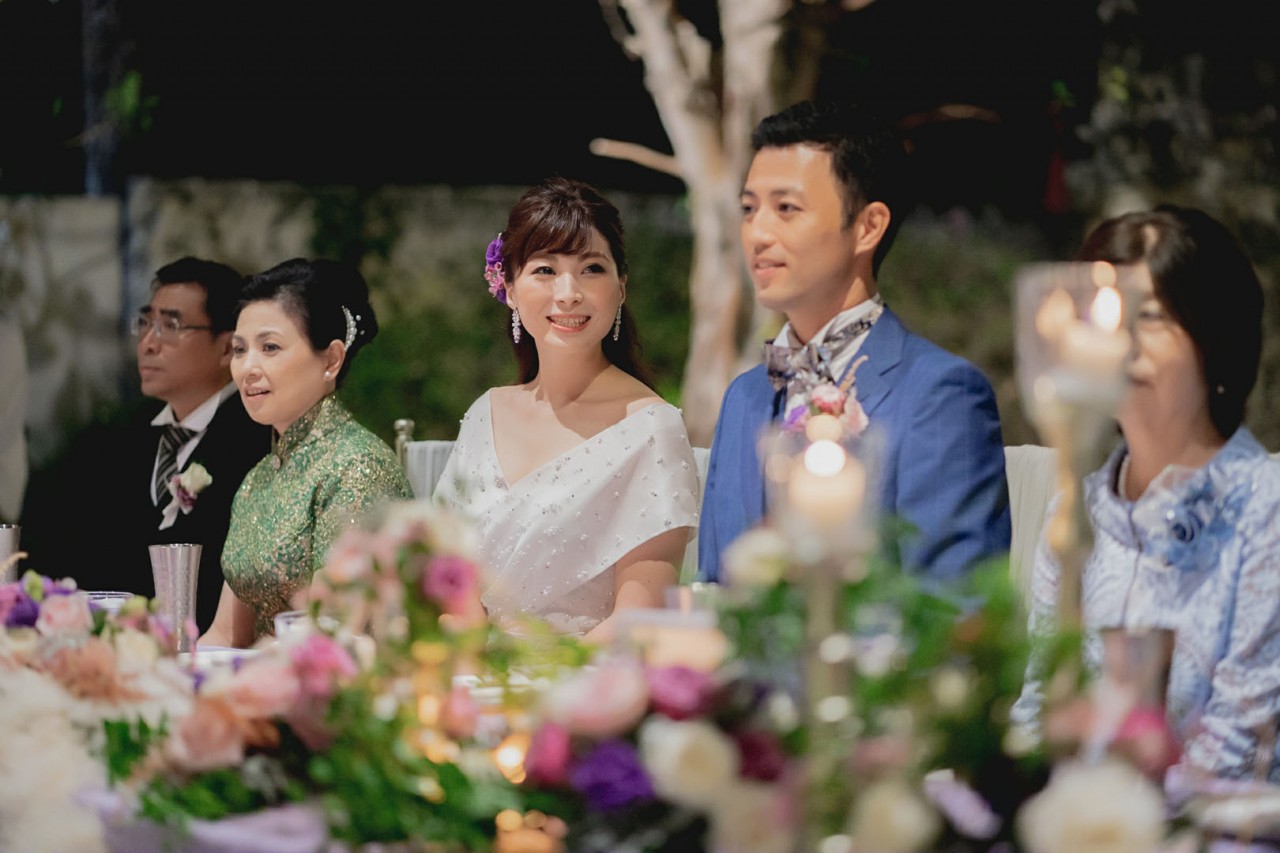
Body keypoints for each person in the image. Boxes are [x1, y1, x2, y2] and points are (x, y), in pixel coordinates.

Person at [1012, 206, 1280, 786]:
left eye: (1150, 315)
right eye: (1106, 315)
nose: (1122, 341)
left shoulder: (1266, 508)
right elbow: (1039, 702)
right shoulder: (1078, 507)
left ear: (1214, 339)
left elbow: (1239, 743)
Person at [697, 100, 1010, 583]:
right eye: (749, 209)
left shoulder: (940, 395)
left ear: (868, 226)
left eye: (786, 208)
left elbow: (956, 606)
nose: (757, 233)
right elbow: (712, 588)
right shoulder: (745, 397)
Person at [433, 177, 700, 643]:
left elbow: (638, 622)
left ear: (621, 287)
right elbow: (445, 578)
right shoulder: (485, 413)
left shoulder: (652, 428)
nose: (568, 293)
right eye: (545, 270)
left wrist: (542, 679)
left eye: (592, 268)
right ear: (509, 288)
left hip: (587, 678)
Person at [21, 257, 271, 631]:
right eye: (145, 324)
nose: (148, 344)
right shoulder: (116, 439)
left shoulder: (257, 441)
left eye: (171, 326)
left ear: (227, 349)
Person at [201, 259, 413, 647]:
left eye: (270, 347)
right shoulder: (259, 478)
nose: (247, 368)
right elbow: (225, 634)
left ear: (331, 360)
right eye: (239, 349)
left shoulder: (357, 466)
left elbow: (334, 638)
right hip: (262, 676)